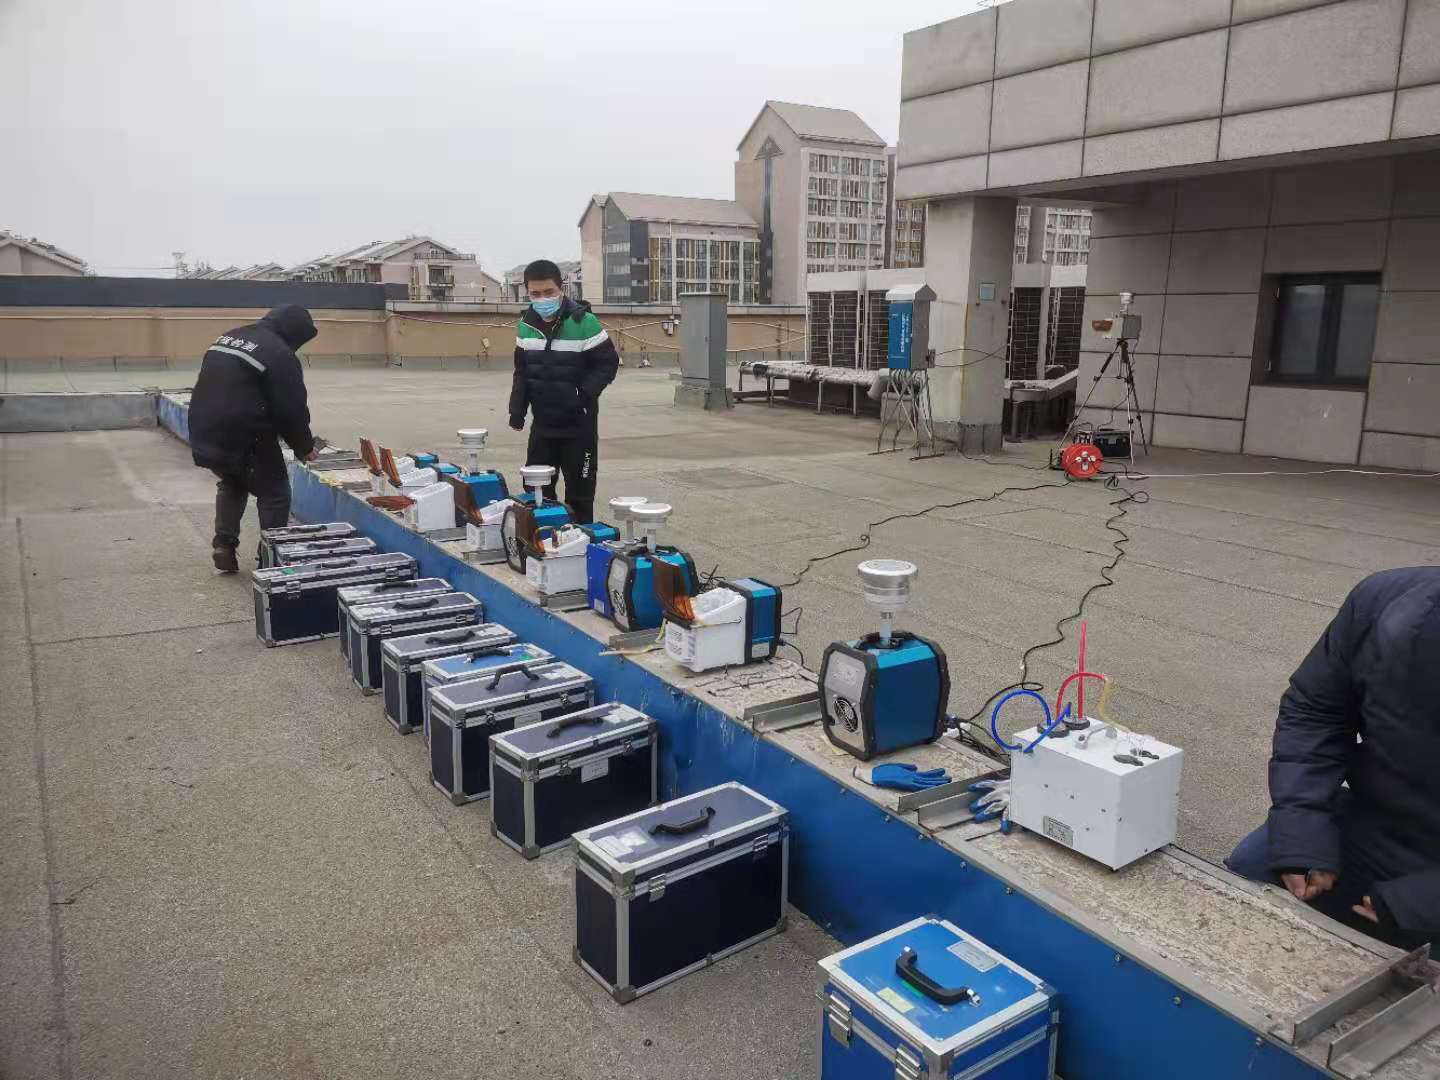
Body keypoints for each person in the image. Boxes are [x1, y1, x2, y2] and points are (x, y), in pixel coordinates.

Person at [1226, 567, 1440, 949]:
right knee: (1249, 872)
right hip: (1376, 824)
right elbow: (1315, 712)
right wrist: (1303, 830)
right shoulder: (1382, 601)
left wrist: (1417, 904)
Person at [188, 304, 319, 573]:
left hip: (205, 428)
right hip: (245, 434)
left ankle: (223, 544)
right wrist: (304, 446)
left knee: (233, 481)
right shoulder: (279, 353)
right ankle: (270, 560)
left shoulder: (231, 336)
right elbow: (290, 409)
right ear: (294, 332)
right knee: (275, 494)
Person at [508, 260, 619, 524]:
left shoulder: (585, 322)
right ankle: (545, 540)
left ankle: (581, 542)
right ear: (527, 293)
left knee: (580, 496)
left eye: (549, 292)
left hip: (579, 427)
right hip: (543, 426)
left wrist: (583, 396)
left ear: (562, 289)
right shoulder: (525, 325)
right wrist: (517, 410)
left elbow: (607, 364)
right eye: (535, 294)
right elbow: (522, 371)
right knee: (536, 492)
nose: (542, 299)